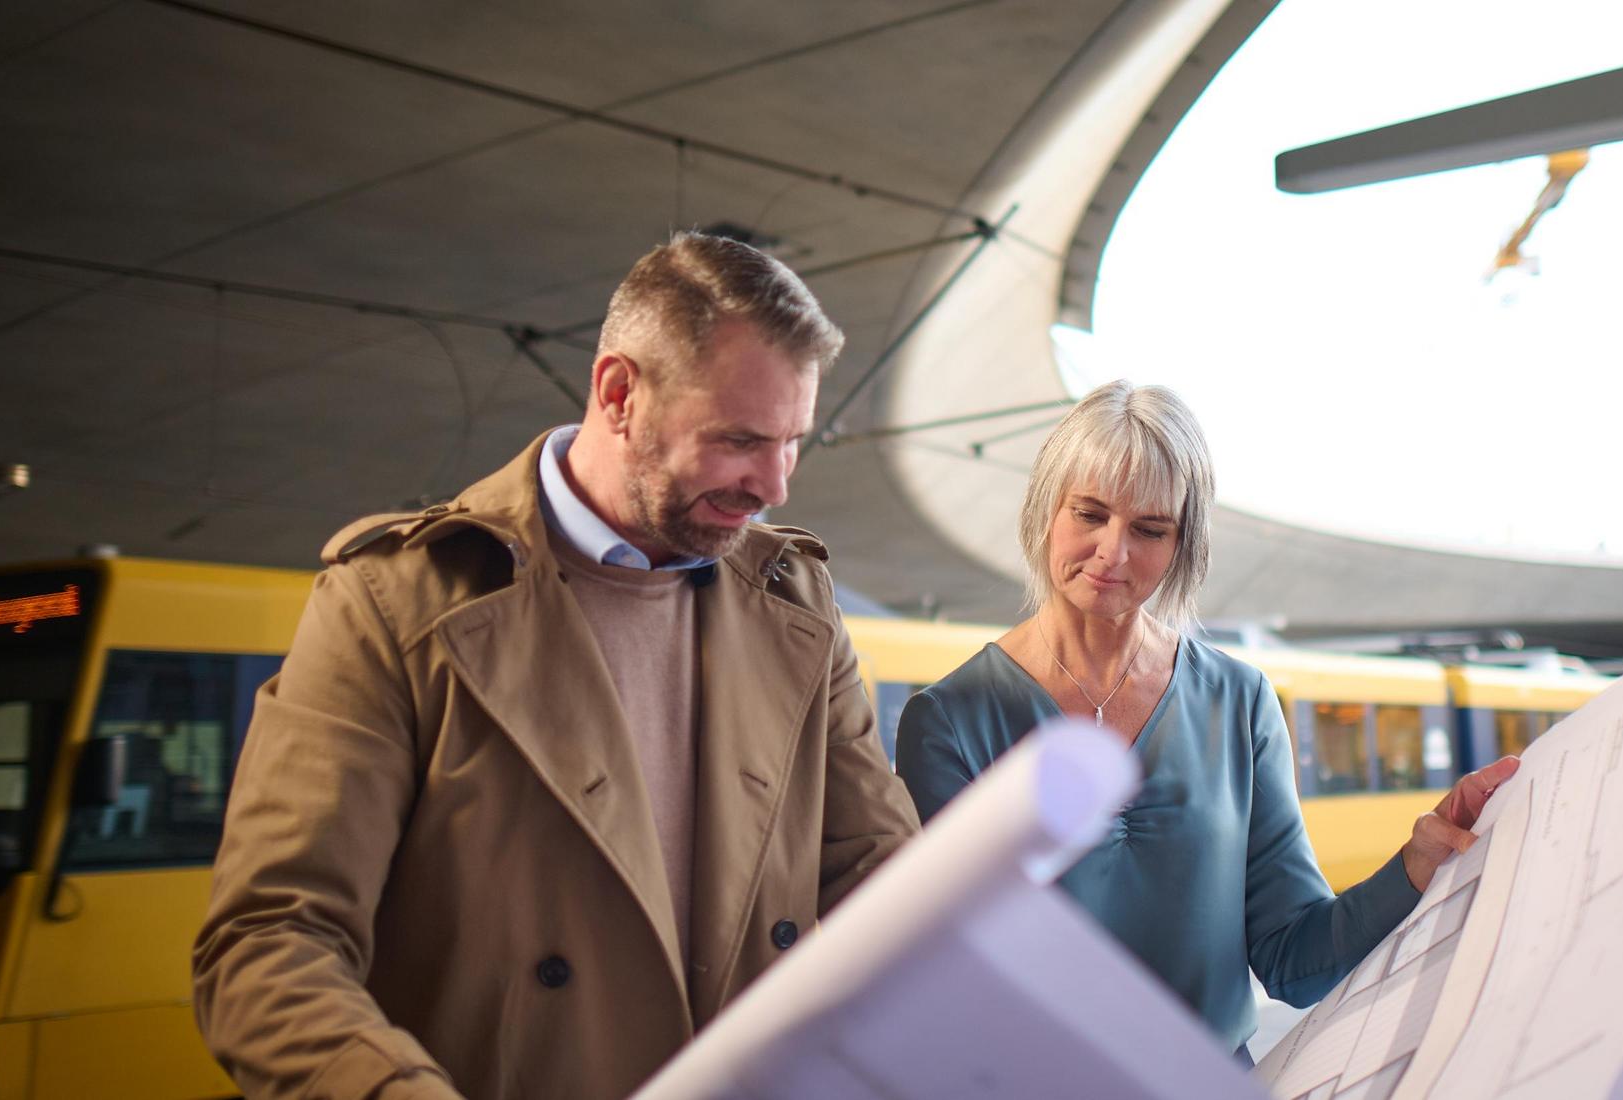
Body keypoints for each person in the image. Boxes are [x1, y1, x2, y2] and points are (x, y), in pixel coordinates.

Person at [193, 233, 918, 1100]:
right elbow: (268, 944)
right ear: (618, 394)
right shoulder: (392, 605)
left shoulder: (796, 603)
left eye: (794, 441)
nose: (774, 484)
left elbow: (883, 875)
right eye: (739, 439)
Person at [895, 381, 1520, 1058]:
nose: (1112, 551)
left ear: (1182, 544)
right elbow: (950, 981)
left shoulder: (1240, 702)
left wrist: (1416, 864)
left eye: (1149, 529)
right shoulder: (948, 722)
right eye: (1090, 514)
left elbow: (1294, 961)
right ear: (1047, 508)